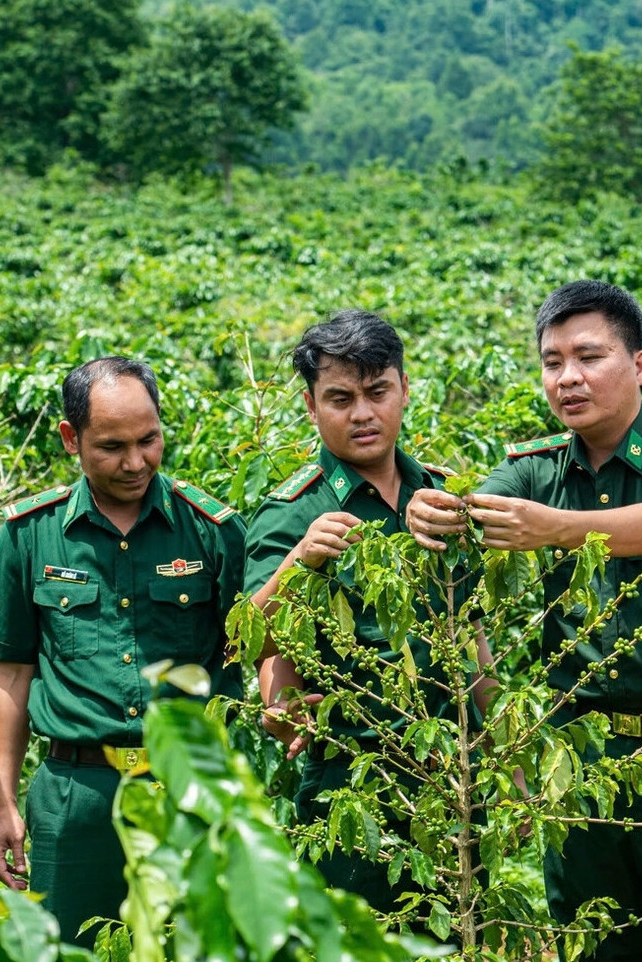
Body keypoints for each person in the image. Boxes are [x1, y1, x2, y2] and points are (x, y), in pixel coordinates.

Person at [407, 279, 642, 962]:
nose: (567, 377)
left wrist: (552, 529)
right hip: (581, 752)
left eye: (588, 357)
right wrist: (430, 513)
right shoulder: (532, 471)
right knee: (586, 939)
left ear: (640, 366)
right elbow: (469, 522)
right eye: (551, 361)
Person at [0, 356, 246, 945]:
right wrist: (4, 802)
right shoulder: (29, 534)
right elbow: (10, 675)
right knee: (66, 948)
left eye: (149, 440)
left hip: (187, 788)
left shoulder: (212, 531)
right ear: (71, 439)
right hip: (74, 796)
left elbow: (250, 652)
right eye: (112, 446)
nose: (135, 462)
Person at [243, 309, 494, 914]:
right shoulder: (290, 514)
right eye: (340, 398)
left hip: (454, 777)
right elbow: (251, 640)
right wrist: (300, 563)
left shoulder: (442, 497)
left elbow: (476, 644)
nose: (362, 413)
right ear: (311, 407)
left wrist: (506, 769)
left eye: (378, 392)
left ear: (404, 390)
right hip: (351, 783)